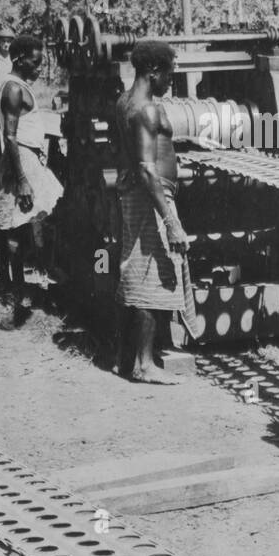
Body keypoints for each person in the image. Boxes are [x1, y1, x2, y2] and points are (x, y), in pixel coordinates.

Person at [114, 40, 200, 384]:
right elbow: (147, 168)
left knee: (138, 271)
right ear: (154, 72)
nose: (171, 80)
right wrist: (171, 220)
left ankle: (130, 359)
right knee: (152, 275)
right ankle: (144, 365)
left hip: (138, 196)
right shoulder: (147, 110)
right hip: (151, 198)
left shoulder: (124, 101)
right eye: (170, 73)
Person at [0, 36, 63, 325]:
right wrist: (22, 179)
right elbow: (9, 136)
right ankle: (14, 291)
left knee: (25, 223)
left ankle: (21, 287)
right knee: (13, 225)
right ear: (20, 58)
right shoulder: (13, 89)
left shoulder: (20, 87)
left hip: (30, 158)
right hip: (21, 160)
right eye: (35, 63)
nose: (39, 68)